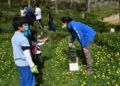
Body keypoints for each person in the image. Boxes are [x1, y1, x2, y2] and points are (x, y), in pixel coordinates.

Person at [11, 16, 38, 86]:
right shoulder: (23, 39)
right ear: (19, 27)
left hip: (18, 63)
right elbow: (27, 55)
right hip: (25, 64)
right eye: (24, 25)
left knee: (23, 80)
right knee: (29, 82)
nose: (26, 26)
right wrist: (32, 65)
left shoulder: (14, 37)